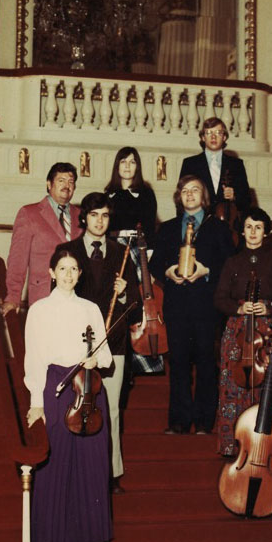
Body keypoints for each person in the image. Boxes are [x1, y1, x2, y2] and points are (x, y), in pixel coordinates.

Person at [24, 248, 113, 542]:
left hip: (89, 388)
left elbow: (106, 355)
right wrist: (37, 403)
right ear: (51, 273)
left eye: (74, 268)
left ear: (80, 273)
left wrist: (94, 359)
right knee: (60, 463)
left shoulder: (90, 309)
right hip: (57, 388)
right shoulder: (39, 310)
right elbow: (34, 358)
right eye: (62, 268)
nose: (68, 274)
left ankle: (85, 541)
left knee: (90, 463)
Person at [58, 192, 143, 495]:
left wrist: (123, 293)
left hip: (112, 343)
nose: (100, 221)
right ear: (84, 218)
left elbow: (137, 301)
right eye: (94, 215)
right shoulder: (66, 250)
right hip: (73, 341)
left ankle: (111, 472)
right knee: (74, 406)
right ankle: (75, 468)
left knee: (111, 409)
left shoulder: (122, 253)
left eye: (105, 215)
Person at [149, 175, 234, 434]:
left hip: (206, 305)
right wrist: (168, 271)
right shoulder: (167, 228)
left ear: (204, 196)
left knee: (207, 363)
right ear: (178, 196)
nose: (189, 194)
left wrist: (206, 271)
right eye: (184, 190)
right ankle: (179, 421)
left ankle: (205, 422)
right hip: (176, 305)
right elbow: (154, 264)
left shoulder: (218, 228)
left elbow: (229, 265)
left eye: (195, 190)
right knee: (179, 363)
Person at [214, 207, 272, 456]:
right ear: (242, 231)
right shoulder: (232, 262)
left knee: (267, 386)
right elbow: (219, 299)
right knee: (233, 386)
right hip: (237, 332)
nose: (253, 232)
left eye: (258, 227)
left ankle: (266, 447)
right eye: (249, 227)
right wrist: (240, 307)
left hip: (267, 332)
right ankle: (232, 446)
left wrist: (267, 307)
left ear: (265, 232)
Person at [105, 146, 161, 374]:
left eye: (132, 162)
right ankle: (116, 358)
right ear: (117, 166)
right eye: (123, 162)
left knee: (139, 300)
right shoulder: (108, 194)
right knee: (116, 300)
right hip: (116, 250)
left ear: (138, 166)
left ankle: (143, 358)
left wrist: (148, 257)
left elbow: (150, 228)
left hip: (139, 251)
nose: (127, 166)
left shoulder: (146, 193)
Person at [2, 163, 81, 315]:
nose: (67, 185)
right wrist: (13, 296)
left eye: (71, 182)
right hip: (43, 297)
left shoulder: (81, 216)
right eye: (61, 180)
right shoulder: (29, 214)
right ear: (49, 184)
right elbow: (17, 260)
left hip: (76, 298)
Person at [180, 117, 251, 226]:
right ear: (203, 137)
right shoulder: (190, 164)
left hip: (226, 225)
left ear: (224, 137)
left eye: (218, 132)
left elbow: (247, 200)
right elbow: (180, 200)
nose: (213, 136)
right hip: (199, 224)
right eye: (208, 133)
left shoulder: (236, 164)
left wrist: (234, 196)